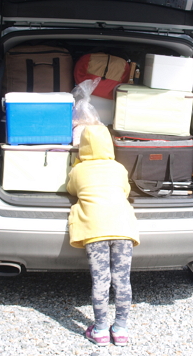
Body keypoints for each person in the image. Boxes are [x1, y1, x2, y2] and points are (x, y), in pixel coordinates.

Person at [67, 125, 140, 347]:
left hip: (95, 230)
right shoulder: (118, 168)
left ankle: (99, 331)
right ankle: (120, 330)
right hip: (122, 228)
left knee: (101, 280)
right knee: (122, 280)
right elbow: (125, 191)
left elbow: (71, 190)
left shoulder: (78, 170)